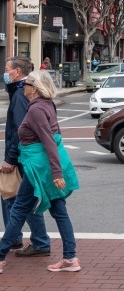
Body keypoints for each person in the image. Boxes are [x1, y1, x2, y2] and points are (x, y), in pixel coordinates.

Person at [0, 70, 81, 274]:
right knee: (59, 211)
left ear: (34, 88)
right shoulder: (45, 104)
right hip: (45, 165)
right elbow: (56, 136)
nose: (22, 86)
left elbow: (48, 141)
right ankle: (70, 258)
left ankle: (0, 256)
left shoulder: (36, 110)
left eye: (26, 84)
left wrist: (56, 173)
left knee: (18, 209)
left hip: (40, 167)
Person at [2, 57, 51, 257]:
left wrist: (11, 158)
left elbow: (21, 131)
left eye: (7, 69)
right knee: (15, 198)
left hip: (22, 157)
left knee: (16, 198)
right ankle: (22, 239)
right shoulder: (19, 93)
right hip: (23, 156)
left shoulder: (21, 95)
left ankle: (35, 241)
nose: (5, 73)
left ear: (17, 72)